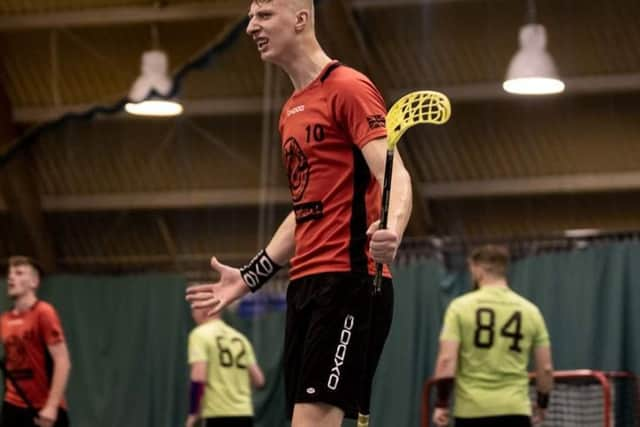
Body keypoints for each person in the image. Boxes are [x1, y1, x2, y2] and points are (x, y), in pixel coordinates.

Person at [186, 0, 413, 425]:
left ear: (301, 19)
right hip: (304, 285)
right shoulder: (290, 110)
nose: (251, 25)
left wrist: (392, 227)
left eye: (264, 15)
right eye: (251, 16)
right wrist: (251, 276)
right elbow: (306, 207)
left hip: (350, 282)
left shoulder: (348, 87)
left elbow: (394, 172)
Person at [432, 245, 554, 427]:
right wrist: (542, 403)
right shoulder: (531, 311)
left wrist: (442, 404)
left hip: (471, 411)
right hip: (515, 410)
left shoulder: (459, 308)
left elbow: (446, 361)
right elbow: (545, 368)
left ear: (479, 269)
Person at [1, 256, 72, 427]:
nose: (11, 277)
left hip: (42, 409)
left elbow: (63, 361)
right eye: (10, 273)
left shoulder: (43, 312)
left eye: (19, 273)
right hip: (12, 406)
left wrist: (52, 406)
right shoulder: (4, 320)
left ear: (34, 281)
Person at [185, 307, 265, 427]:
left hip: (217, 414)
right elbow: (259, 380)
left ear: (205, 309)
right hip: (244, 414)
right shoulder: (240, 338)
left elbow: (198, 378)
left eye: (194, 309)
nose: (192, 315)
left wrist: (193, 413)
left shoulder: (199, 334)